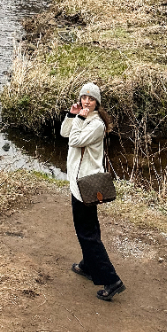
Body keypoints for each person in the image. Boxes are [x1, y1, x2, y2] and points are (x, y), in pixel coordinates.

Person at [61, 82, 124, 300]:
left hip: (86, 184)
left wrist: (79, 119)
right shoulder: (84, 118)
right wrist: (72, 115)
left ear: (97, 103)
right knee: (88, 229)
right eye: (83, 98)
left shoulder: (96, 124)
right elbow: (64, 133)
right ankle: (88, 266)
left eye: (91, 99)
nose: (86, 101)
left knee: (87, 233)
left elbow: (75, 140)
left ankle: (111, 280)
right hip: (78, 182)